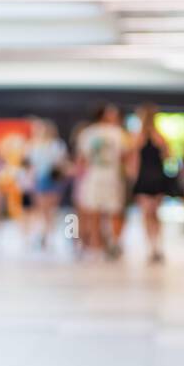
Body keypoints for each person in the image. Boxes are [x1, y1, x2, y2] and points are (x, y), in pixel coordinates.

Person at [73, 103, 128, 259]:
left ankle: (97, 245)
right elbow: (125, 157)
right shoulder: (118, 133)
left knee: (95, 211)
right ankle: (112, 243)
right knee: (113, 211)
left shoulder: (87, 134)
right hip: (111, 176)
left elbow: (81, 159)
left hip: (94, 176)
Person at [131, 104, 170, 264]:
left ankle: (155, 246)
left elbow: (167, 154)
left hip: (150, 177)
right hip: (151, 177)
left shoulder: (152, 137)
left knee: (150, 213)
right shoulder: (143, 137)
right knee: (152, 213)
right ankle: (153, 246)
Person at [26, 118, 67, 249]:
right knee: (41, 210)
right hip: (40, 178)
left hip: (52, 178)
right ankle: (44, 234)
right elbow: (31, 165)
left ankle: (49, 236)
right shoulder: (34, 145)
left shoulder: (56, 144)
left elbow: (60, 162)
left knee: (50, 210)